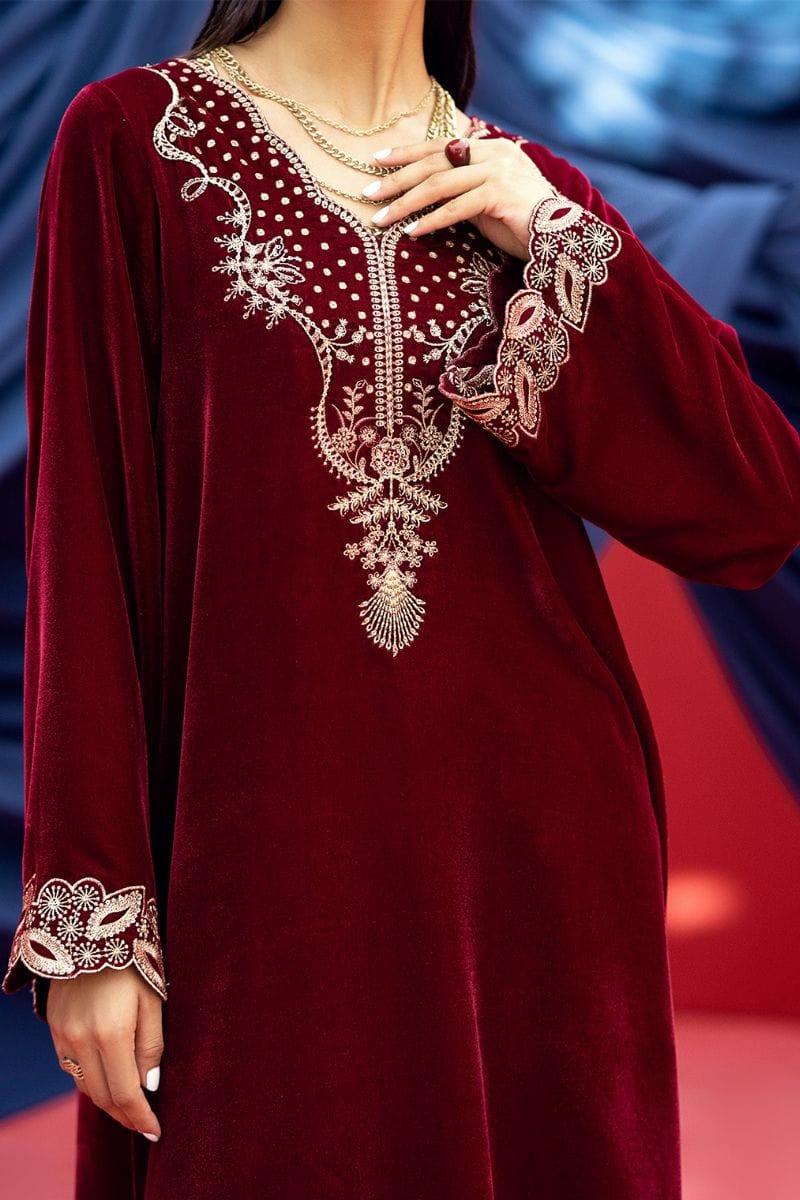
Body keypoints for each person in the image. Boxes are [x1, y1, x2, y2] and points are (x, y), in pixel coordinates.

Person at [4, 2, 800, 1197]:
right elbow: (86, 532)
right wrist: (94, 920)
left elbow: (750, 505)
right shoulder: (135, 139)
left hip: (536, 856)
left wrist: (554, 236)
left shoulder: (526, 186)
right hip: (255, 859)